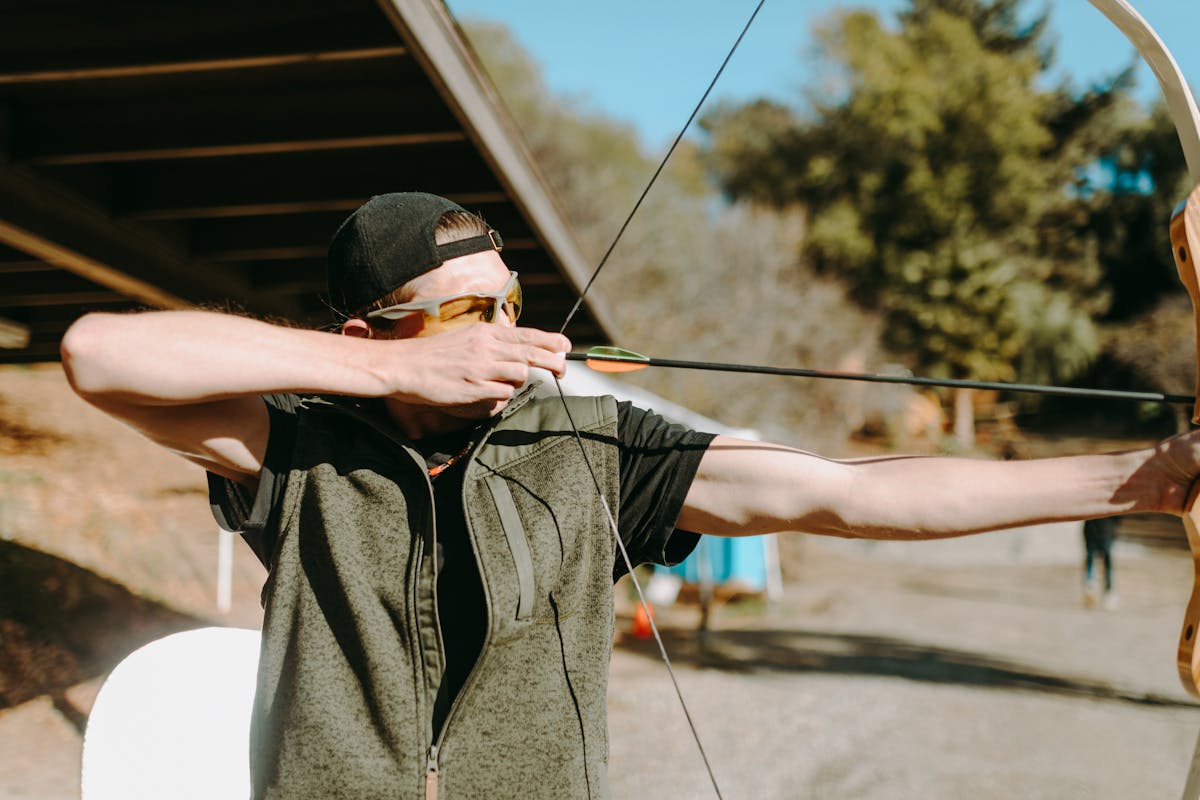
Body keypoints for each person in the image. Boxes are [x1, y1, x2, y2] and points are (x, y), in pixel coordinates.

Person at [60, 191, 1200, 800]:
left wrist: (1137, 480)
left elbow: (851, 497)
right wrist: (387, 374)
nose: (506, 334)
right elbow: (96, 352)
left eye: (509, 302)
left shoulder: (586, 440)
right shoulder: (296, 446)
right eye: (466, 316)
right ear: (372, 333)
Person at [1083, 516, 1119, 609]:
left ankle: (1090, 585)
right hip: (1106, 530)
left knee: (1091, 560)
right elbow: (1118, 518)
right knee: (1107, 564)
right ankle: (1108, 592)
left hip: (1092, 530)